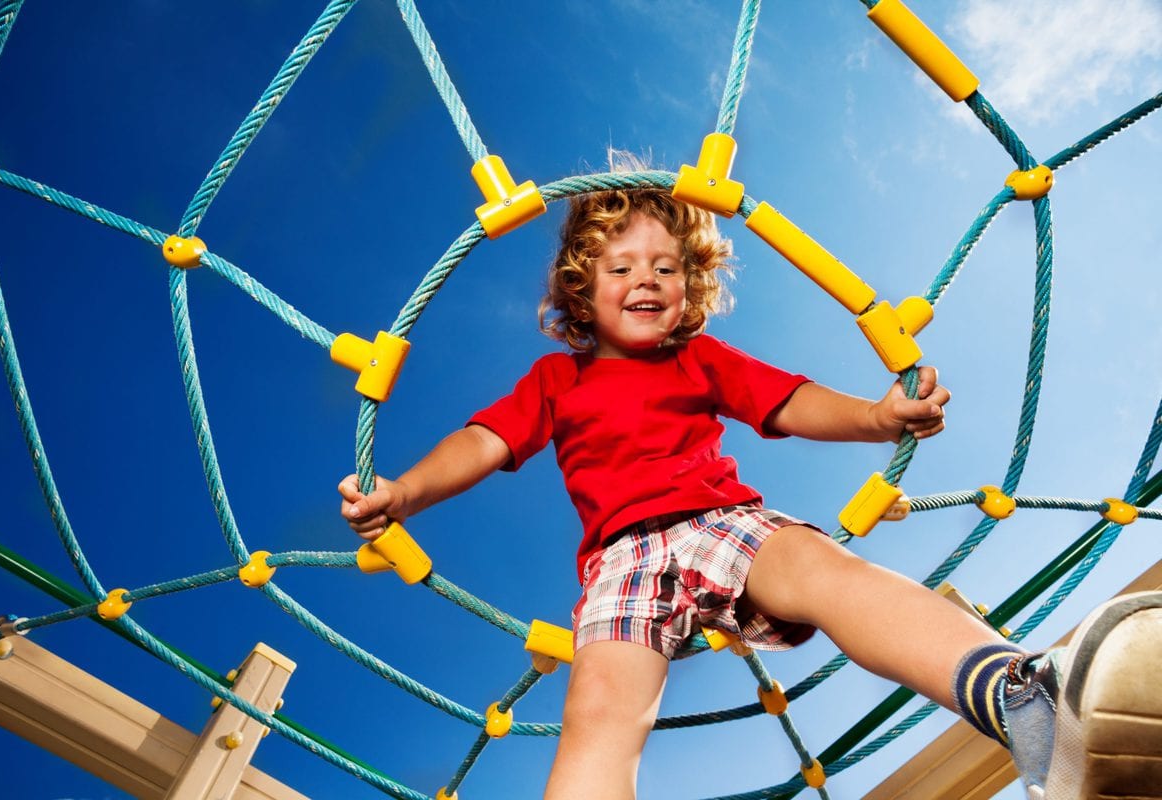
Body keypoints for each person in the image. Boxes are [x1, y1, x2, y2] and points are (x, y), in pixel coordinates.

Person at [339, 174, 1161, 800]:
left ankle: (1028, 700)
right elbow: (483, 441)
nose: (647, 278)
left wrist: (877, 419)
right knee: (600, 712)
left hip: (719, 520)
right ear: (581, 291)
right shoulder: (558, 379)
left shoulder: (699, 362)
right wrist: (406, 492)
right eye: (621, 266)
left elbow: (789, 401)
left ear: (690, 284)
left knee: (828, 576)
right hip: (620, 562)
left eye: (666, 265)